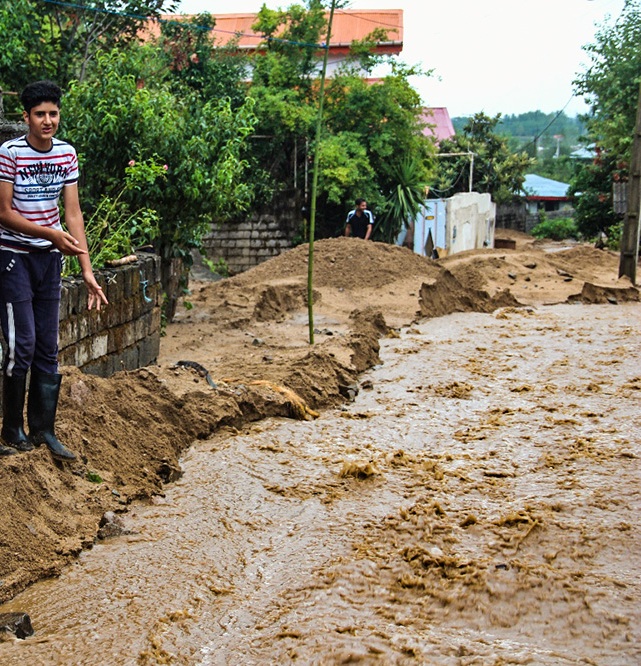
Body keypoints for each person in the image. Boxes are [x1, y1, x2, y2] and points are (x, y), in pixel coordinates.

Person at [0, 80, 108, 460]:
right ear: (26, 117)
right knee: (22, 344)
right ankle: (11, 430)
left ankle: (43, 430)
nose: (48, 121)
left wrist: (87, 271)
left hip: (51, 260)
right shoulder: (10, 152)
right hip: (13, 257)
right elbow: (4, 213)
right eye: (40, 114)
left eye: (53, 113)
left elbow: (73, 214)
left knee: (49, 347)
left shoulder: (66, 153)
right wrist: (50, 233)